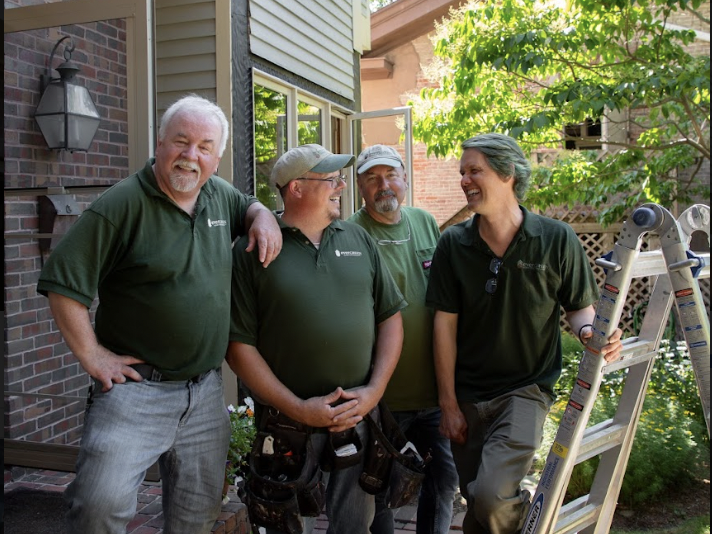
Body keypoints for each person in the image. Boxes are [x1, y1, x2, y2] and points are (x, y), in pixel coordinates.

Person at [36, 95, 282, 534]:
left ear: (217, 157)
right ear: (160, 144)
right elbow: (62, 285)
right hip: (135, 395)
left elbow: (246, 203)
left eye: (205, 147)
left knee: (197, 516)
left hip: (204, 393)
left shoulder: (217, 195)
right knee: (98, 506)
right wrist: (94, 357)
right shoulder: (121, 206)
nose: (191, 157)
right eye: (181, 142)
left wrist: (262, 214)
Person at [425, 133, 624, 534]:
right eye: (462, 172)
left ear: (508, 174)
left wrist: (591, 332)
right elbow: (444, 326)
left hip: (525, 391)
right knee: (477, 503)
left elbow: (579, 309)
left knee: (493, 496)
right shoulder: (452, 244)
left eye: (475, 170)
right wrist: (448, 404)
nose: (464, 180)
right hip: (467, 396)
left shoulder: (556, 239)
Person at [226, 143, 407, 534]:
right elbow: (239, 348)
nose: (341, 186)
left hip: (357, 417)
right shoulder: (251, 251)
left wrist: (375, 391)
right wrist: (296, 406)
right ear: (296, 189)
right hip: (286, 424)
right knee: (287, 527)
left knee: (356, 525)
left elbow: (390, 318)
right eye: (330, 180)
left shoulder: (359, 241)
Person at [349, 145, 459, 534]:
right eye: (372, 177)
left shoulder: (425, 222)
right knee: (381, 492)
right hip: (381, 399)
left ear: (405, 179)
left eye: (391, 174)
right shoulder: (348, 234)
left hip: (433, 394)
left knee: (443, 483)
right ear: (359, 185)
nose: (384, 185)